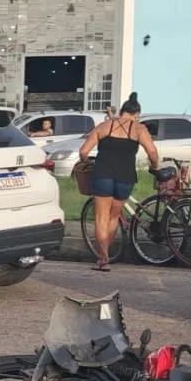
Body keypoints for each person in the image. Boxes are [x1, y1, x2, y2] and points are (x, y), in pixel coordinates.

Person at [76, 93, 160, 272]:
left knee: (101, 218)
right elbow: (152, 152)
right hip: (125, 177)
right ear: (137, 114)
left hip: (102, 175)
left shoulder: (103, 126)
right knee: (114, 217)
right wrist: (155, 166)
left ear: (122, 111)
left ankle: (103, 258)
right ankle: (105, 255)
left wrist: (86, 162)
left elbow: (83, 151)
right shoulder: (139, 129)